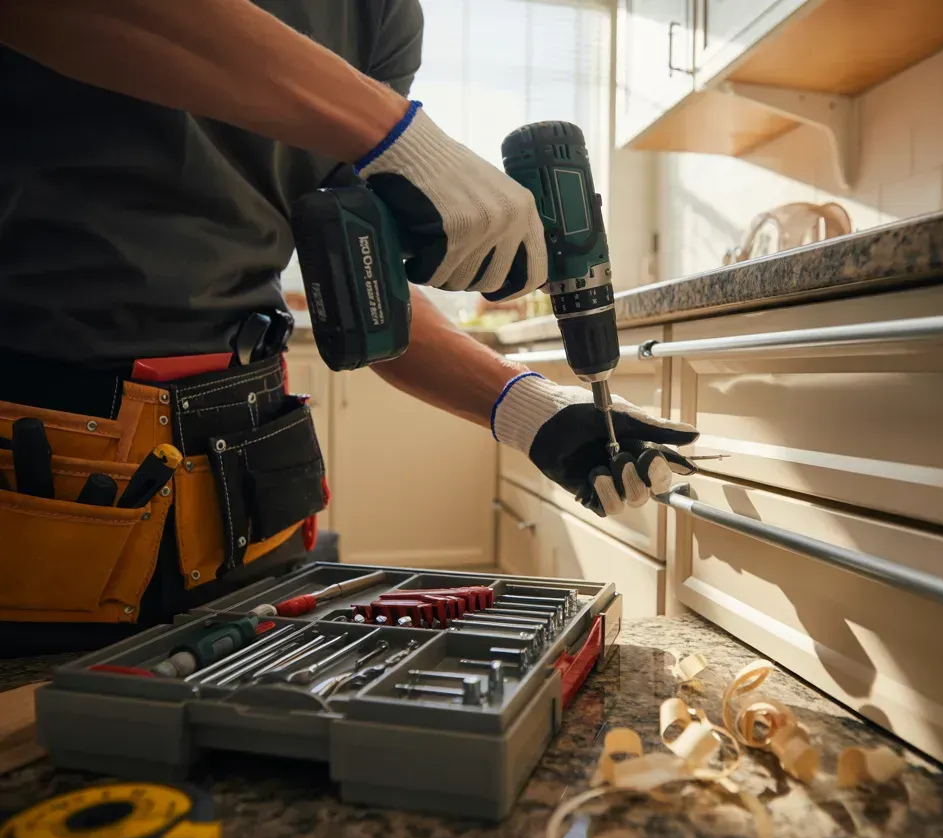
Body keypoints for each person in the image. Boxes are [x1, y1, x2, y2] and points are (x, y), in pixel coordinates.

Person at [0, 0, 698, 656]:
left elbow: (361, 287)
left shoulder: (380, 16)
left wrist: (530, 407)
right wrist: (392, 132)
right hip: (49, 472)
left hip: (250, 477)